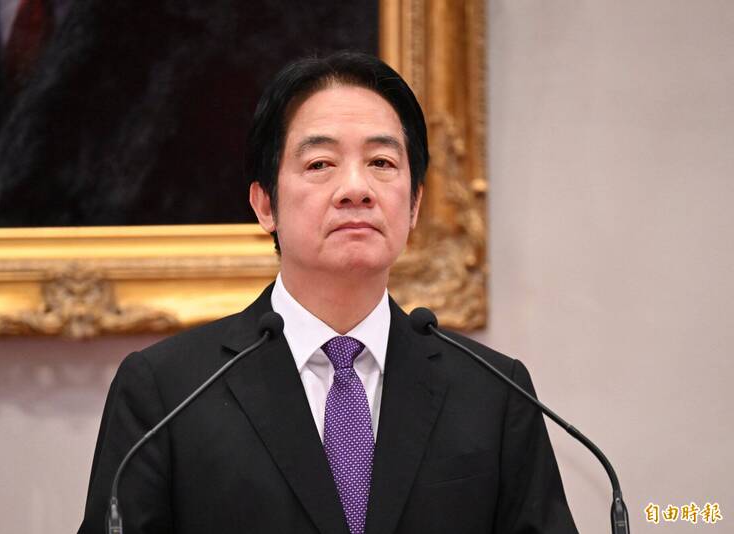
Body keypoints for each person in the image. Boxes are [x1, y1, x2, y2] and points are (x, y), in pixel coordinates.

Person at [78, 51, 578, 534]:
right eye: (320, 164)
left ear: (414, 205)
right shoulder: (168, 392)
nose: (356, 188)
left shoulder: (495, 392)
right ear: (265, 204)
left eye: (381, 162)